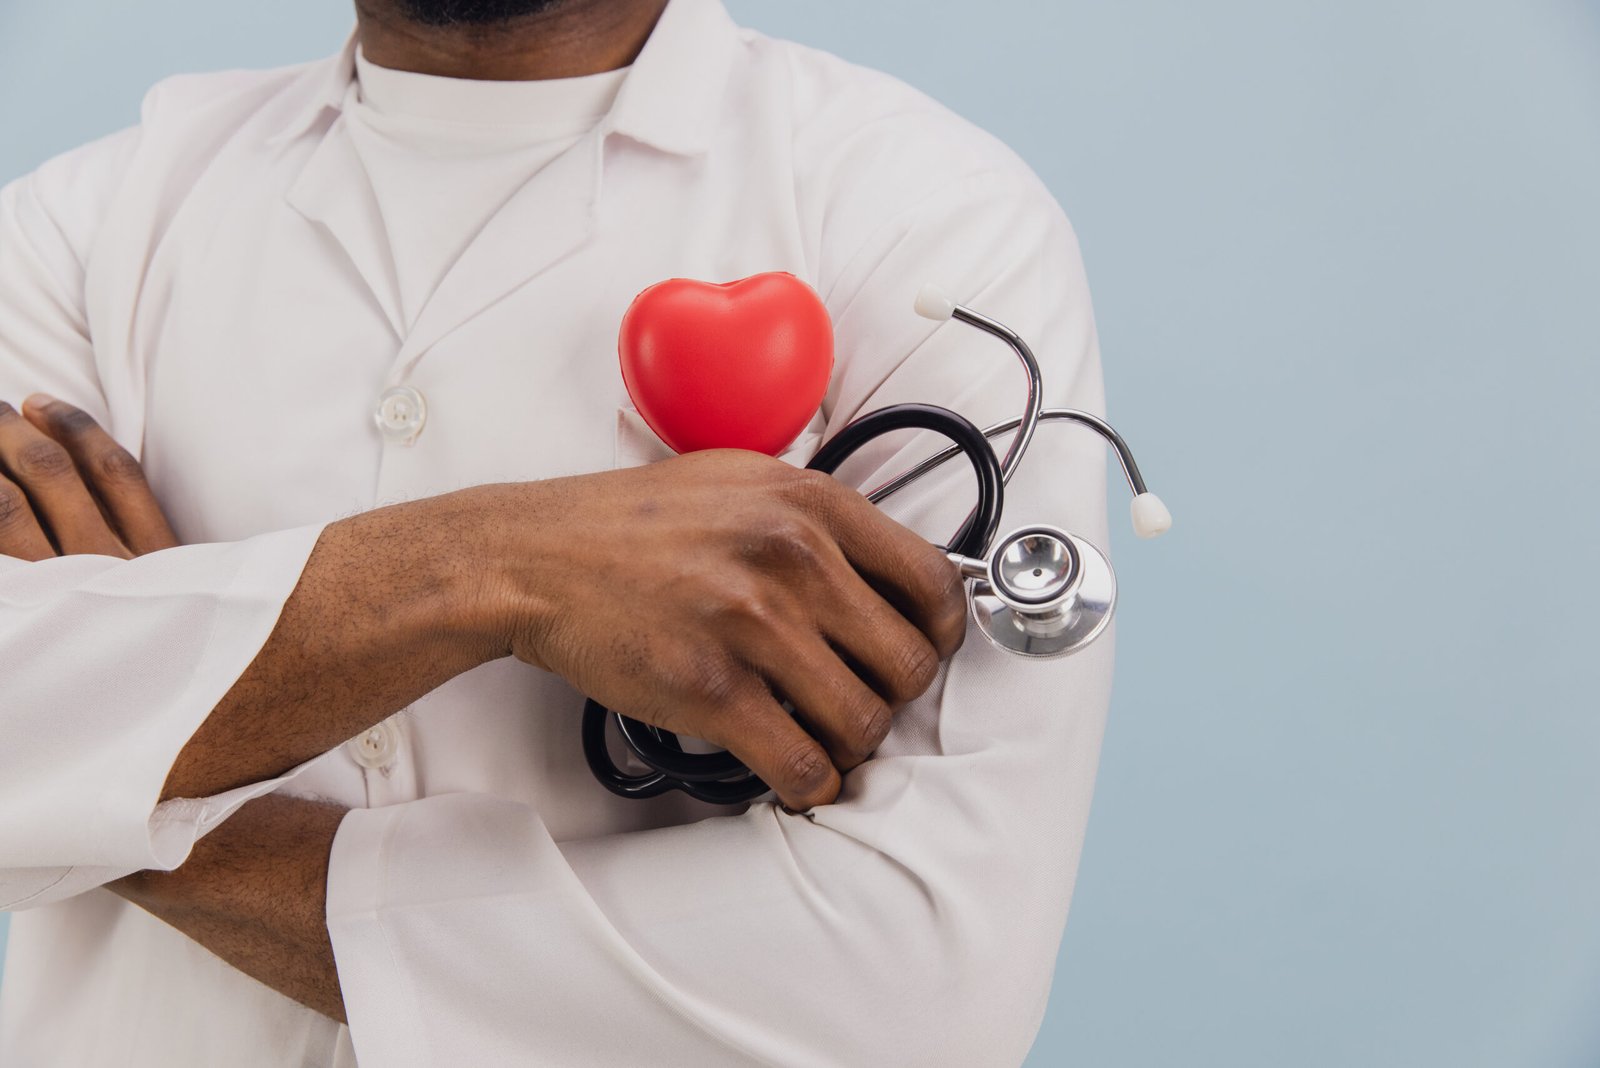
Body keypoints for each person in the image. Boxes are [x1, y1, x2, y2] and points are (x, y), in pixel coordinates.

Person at [0, 0, 1115, 1063]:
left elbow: (917, 987)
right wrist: (499, 566)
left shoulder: (927, 216)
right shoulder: (75, 229)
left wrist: (93, 796)